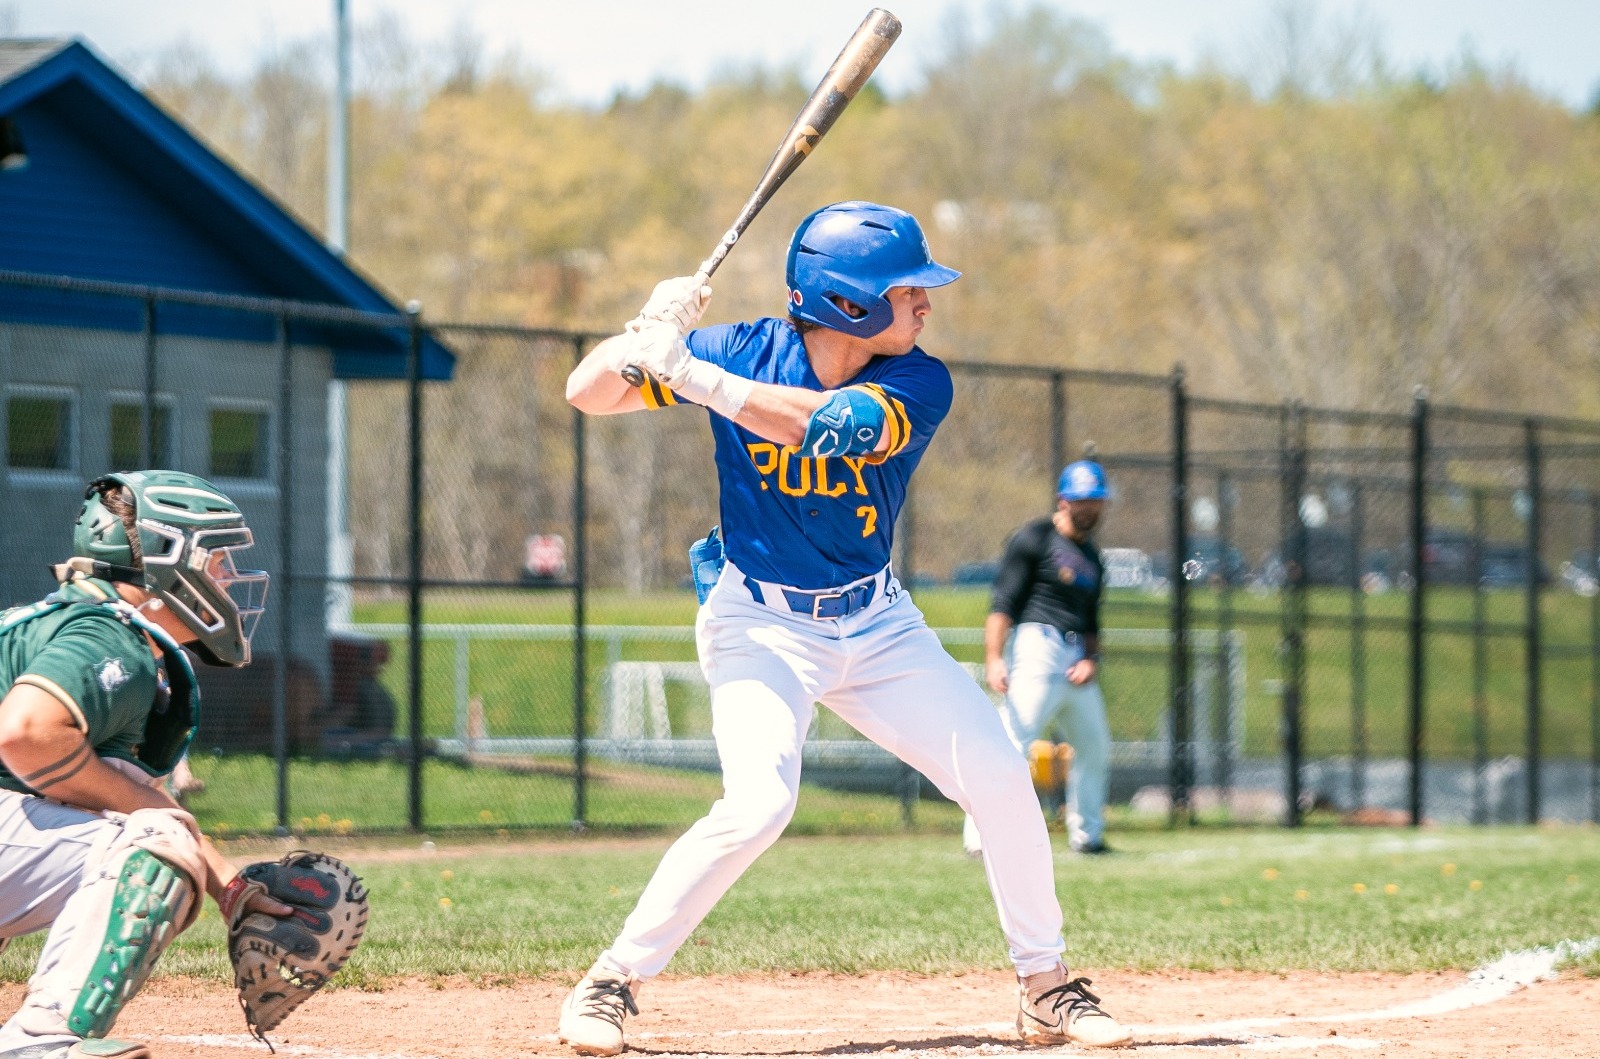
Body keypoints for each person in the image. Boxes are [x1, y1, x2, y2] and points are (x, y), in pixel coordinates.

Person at [559, 202, 1130, 1054]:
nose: (928, 304)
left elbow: (821, 429)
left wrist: (689, 372)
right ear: (849, 303)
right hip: (759, 622)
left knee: (1003, 776)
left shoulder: (918, 380)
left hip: (876, 622)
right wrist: (643, 331)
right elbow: (587, 392)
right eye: (910, 290)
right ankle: (611, 979)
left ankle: (1044, 985)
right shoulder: (738, 347)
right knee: (759, 803)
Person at [0, 471, 291, 1059]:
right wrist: (174, 835)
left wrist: (230, 888)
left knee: (151, 827)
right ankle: (43, 1041)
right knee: (156, 847)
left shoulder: (74, 622)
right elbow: (26, 735)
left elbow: (115, 787)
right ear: (165, 561)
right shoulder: (109, 638)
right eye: (218, 559)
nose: (230, 577)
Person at [962, 460, 1113, 859]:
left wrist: (1092, 659)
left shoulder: (1094, 558)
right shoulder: (1035, 538)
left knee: (1095, 745)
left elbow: (1094, 620)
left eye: (1097, 501)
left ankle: (1088, 834)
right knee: (1013, 739)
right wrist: (994, 658)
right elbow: (1003, 603)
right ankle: (981, 836)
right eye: (1083, 500)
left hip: (1075, 656)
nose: (1091, 509)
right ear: (1063, 501)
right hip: (1037, 645)